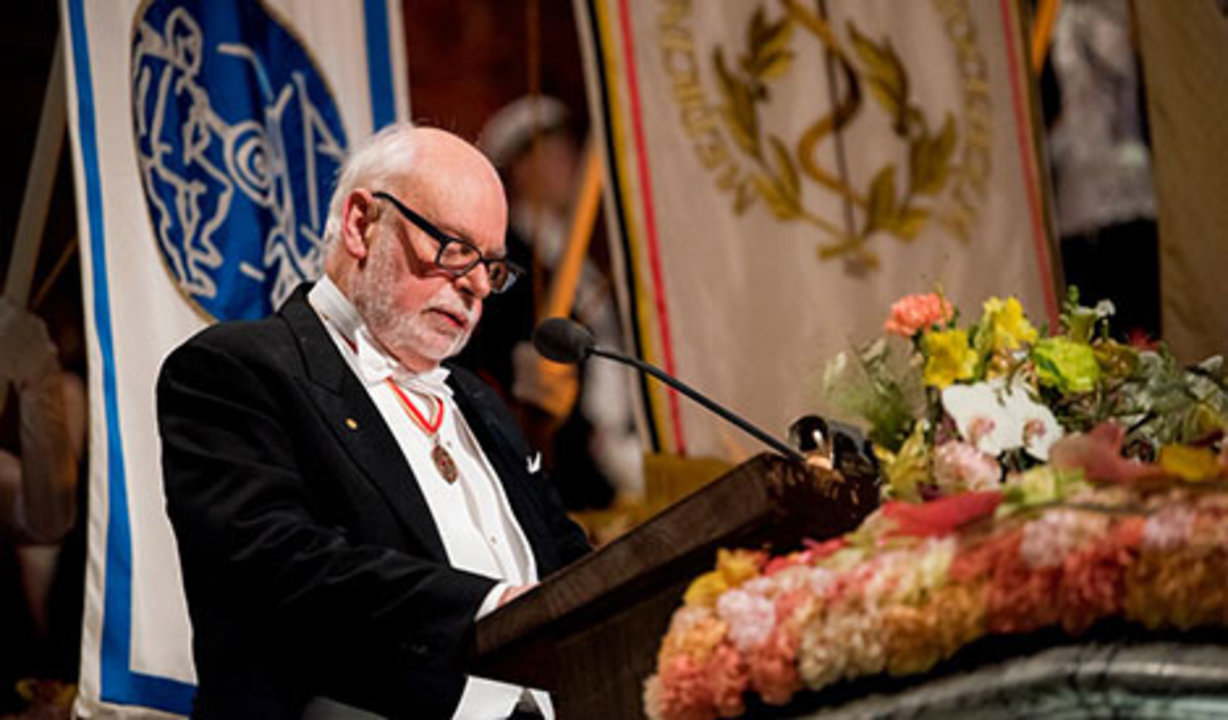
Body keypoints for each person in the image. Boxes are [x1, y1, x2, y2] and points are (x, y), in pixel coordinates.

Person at [157, 124, 590, 719]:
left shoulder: (480, 404)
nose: (475, 286)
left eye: (491, 264)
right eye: (454, 247)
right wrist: (494, 614)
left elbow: (568, 561)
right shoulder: (237, 371)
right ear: (362, 224)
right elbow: (283, 567)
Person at [459, 95, 642, 509]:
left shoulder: (573, 252)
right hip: (570, 465)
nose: (570, 164)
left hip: (617, 446)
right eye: (554, 154)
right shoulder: (510, 261)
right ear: (522, 168)